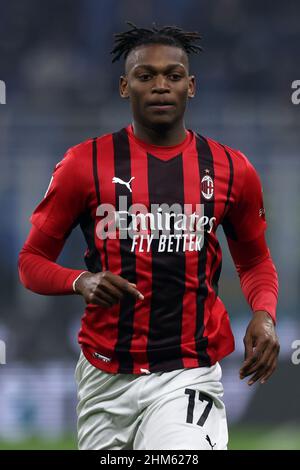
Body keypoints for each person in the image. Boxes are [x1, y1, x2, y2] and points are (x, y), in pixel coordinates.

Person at [18, 22, 279, 450]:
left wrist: (264, 313)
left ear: (191, 86)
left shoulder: (232, 170)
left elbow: (253, 261)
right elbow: (30, 262)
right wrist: (80, 281)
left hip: (188, 370)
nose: (161, 86)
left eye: (173, 76)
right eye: (146, 76)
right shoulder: (84, 164)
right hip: (106, 375)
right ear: (125, 86)